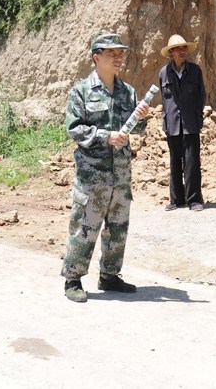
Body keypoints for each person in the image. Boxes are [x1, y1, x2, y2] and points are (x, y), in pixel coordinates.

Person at [61, 33, 150, 303]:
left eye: (121, 53)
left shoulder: (127, 92)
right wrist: (105, 136)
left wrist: (141, 117)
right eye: (112, 54)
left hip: (120, 172)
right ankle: (73, 279)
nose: (118, 58)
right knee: (84, 225)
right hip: (93, 174)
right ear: (96, 57)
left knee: (118, 226)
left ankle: (110, 275)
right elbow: (74, 129)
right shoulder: (81, 91)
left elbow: (137, 129)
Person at [158, 34, 206, 212]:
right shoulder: (164, 73)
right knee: (174, 162)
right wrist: (166, 118)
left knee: (192, 162)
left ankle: (194, 200)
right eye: (177, 49)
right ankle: (176, 200)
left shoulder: (195, 71)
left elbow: (201, 96)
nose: (181, 52)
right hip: (172, 123)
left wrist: (197, 116)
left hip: (190, 122)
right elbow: (165, 100)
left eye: (183, 48)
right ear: (171, 52)